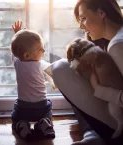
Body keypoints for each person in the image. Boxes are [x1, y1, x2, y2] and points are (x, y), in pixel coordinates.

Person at [51, 0, 123, 145]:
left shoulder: (117, 45)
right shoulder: (111, 40)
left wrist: (99, 89)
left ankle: (97, 135)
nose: (81, 26)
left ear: (102, 13)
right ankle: (92, 133)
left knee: (60, 68)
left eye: (83, 18)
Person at [10, 21, 55, 141]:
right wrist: (53, 83)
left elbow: (14, 53)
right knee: (48, 108)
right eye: (40, 49)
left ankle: (22, 124)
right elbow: (53, 72)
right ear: (27, 55)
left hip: (23, 108)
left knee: (15, 114)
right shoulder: (41, 64)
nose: (43, 51)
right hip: (41, 107)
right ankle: (44, 122)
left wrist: (17, 34)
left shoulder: (17, 63)